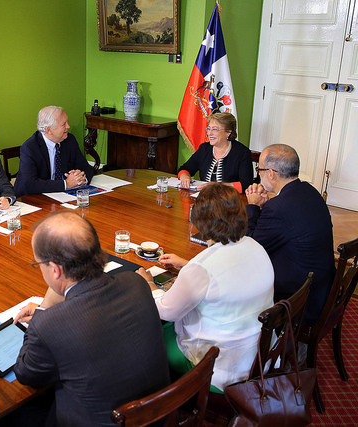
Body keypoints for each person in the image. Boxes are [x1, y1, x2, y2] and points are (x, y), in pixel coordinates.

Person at [13, 211, 170, 426]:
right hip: (160, 413)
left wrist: (45, 308)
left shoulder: (48, 325)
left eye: (38, 263)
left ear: (55, 270)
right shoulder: (136, 283)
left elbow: (25, 374)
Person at [138, 183, 274, 392]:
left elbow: (165, 311)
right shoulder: (255, 246)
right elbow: (229, 275)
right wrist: (188, 265)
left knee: (146, 335)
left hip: (218, 370)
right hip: (258, 356)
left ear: (200, 221)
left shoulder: (201, 268)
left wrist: (148, 282)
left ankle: (163, 395)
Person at [246, 144, 335, 323]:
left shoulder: (279, 207)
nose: (259, 174)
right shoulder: (310, 191)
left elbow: (250, 248)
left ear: (271, 173)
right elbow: (286, 226)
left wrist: (253, 206)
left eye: (260, 170)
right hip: (323, 287)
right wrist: (265, 207)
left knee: (243, 275)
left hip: (299, 300)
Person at [14, 106, 95, 197]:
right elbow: (29, 184)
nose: (68, 126)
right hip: (32, 198)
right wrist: (66, 184)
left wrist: (80, 178)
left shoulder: (69, 140)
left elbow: (86, 168)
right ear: (49, 130)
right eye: (63, 124)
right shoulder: (30, 148)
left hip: (62, 197)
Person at [177, 112, 253, 193]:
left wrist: (217, 186)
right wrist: (185, 177)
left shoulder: (242, 153)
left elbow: (246, 185)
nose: (209, 133)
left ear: (228, 132)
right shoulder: (204, 149)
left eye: (215, 129)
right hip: (204, 197)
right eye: (209, 129)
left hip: (230, 198)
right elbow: (184, 169)